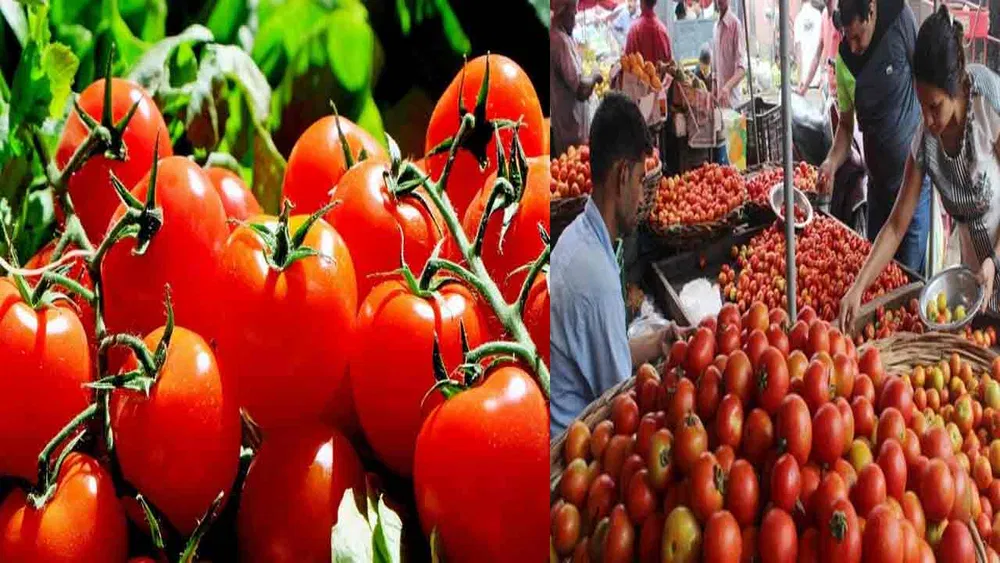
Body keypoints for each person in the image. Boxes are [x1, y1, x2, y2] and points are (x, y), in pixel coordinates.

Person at [840, 7, 1000, 328]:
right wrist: (858, 287)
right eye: (920, 104)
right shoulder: (926, 141)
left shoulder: (987, 102)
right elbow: (897, 225)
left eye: (934, 106)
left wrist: (995, 260)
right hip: (977, 275)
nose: (926, 119)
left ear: (957, 86)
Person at [550, 93, 686, 436]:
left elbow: (606, 351)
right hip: (571, 446)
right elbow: (622, 399)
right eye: (641, 180)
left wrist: (659, 341)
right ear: (623, 175)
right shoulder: (595, 275)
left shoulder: (579, 237)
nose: (642, 198)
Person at [818, 0, 931, 273]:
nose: (854, 46)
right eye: (848, 37)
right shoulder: (845, 59)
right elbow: (845, 127)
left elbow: (924, 83)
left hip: (913, 190)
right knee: (876, 279)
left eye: (858, 36)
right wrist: (831, 163)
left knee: (908, 279)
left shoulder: (899, 19)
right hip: (878, 191)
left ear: (872, 10)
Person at [551, 0, 605, 157]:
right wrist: (595, 76)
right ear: (563, 13)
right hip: (571, 133)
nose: (575, 18)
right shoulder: (560, 42)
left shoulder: (562, 36)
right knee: (574, 171)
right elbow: (581, 90)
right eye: (573, 13)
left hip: (569, 128)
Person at [713, 0, 747, 109]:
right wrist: (714, 87)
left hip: (733, 103)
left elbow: (742, 70)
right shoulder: (716, 27)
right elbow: (715, 67)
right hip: (719, 101)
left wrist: (727, 87)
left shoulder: (735, 25)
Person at [625, 0, 675, 65]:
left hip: (638, 75)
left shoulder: (634, 30)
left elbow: (627, 62)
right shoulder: (662, 29)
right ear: (655, 2)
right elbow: (669, 63)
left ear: (641, 2)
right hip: (661, 75)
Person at [795, 0, 826, 95]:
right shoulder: (820, 16)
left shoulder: (798, 19)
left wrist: (800, 79)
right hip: (820, 82)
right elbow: (822, 48)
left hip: (805, 83)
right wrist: (822, 74)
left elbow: (798, 53)